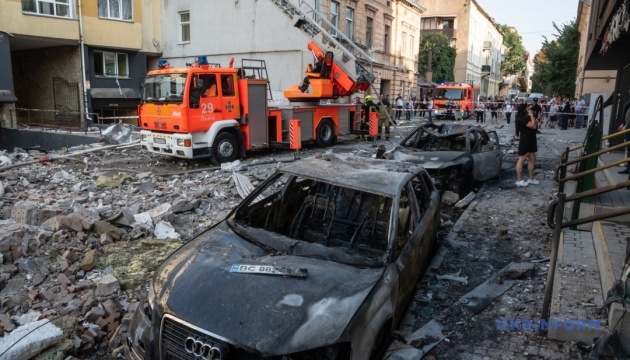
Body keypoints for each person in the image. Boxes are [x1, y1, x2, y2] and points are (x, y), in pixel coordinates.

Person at [515, 104, 539, 187]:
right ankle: (519, 180)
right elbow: (532, 126)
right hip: (525, 140)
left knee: (533, 159)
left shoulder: (527, 117)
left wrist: (535, 118)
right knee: (522, 159)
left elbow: (535, 126)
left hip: (531, 139)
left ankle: (531, 178)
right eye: (528, 108)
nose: (529, 109)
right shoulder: (522, 119)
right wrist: (532, 116)